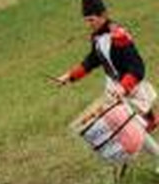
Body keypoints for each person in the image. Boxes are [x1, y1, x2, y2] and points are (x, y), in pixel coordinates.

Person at [55, 0, 157, 130]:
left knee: (141, 108)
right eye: (86, 20)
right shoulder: (96, 37)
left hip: (129, 81)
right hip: (113, 82)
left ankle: (151, 122)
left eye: (91, 20)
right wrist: (69, 76)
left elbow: (137, 67)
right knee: (119, 118)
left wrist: (123, 87)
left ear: (103, 15)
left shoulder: (119, 35)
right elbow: (93, 59)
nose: (88, 24)